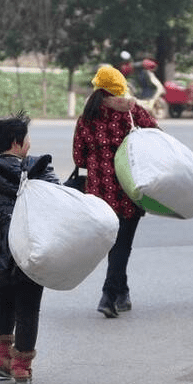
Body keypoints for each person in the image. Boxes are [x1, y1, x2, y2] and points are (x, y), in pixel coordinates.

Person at [0, 111, 60, 384]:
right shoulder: (40, 171)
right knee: (29, 307)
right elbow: (59, 205)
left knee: (5, 303)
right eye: (27, 136)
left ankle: (1, 359)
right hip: (32, 250)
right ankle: (21, 367)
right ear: (18, 142)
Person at [72, 64, 160, 317]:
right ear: (120, 88)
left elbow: (79, 158)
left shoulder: (87, 117)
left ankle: (122, 292)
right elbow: (157, 141)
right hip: (129, 190)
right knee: (123, 245)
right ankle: (109, 296)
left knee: (115, 245)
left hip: (98, 194)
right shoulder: (133, 113)